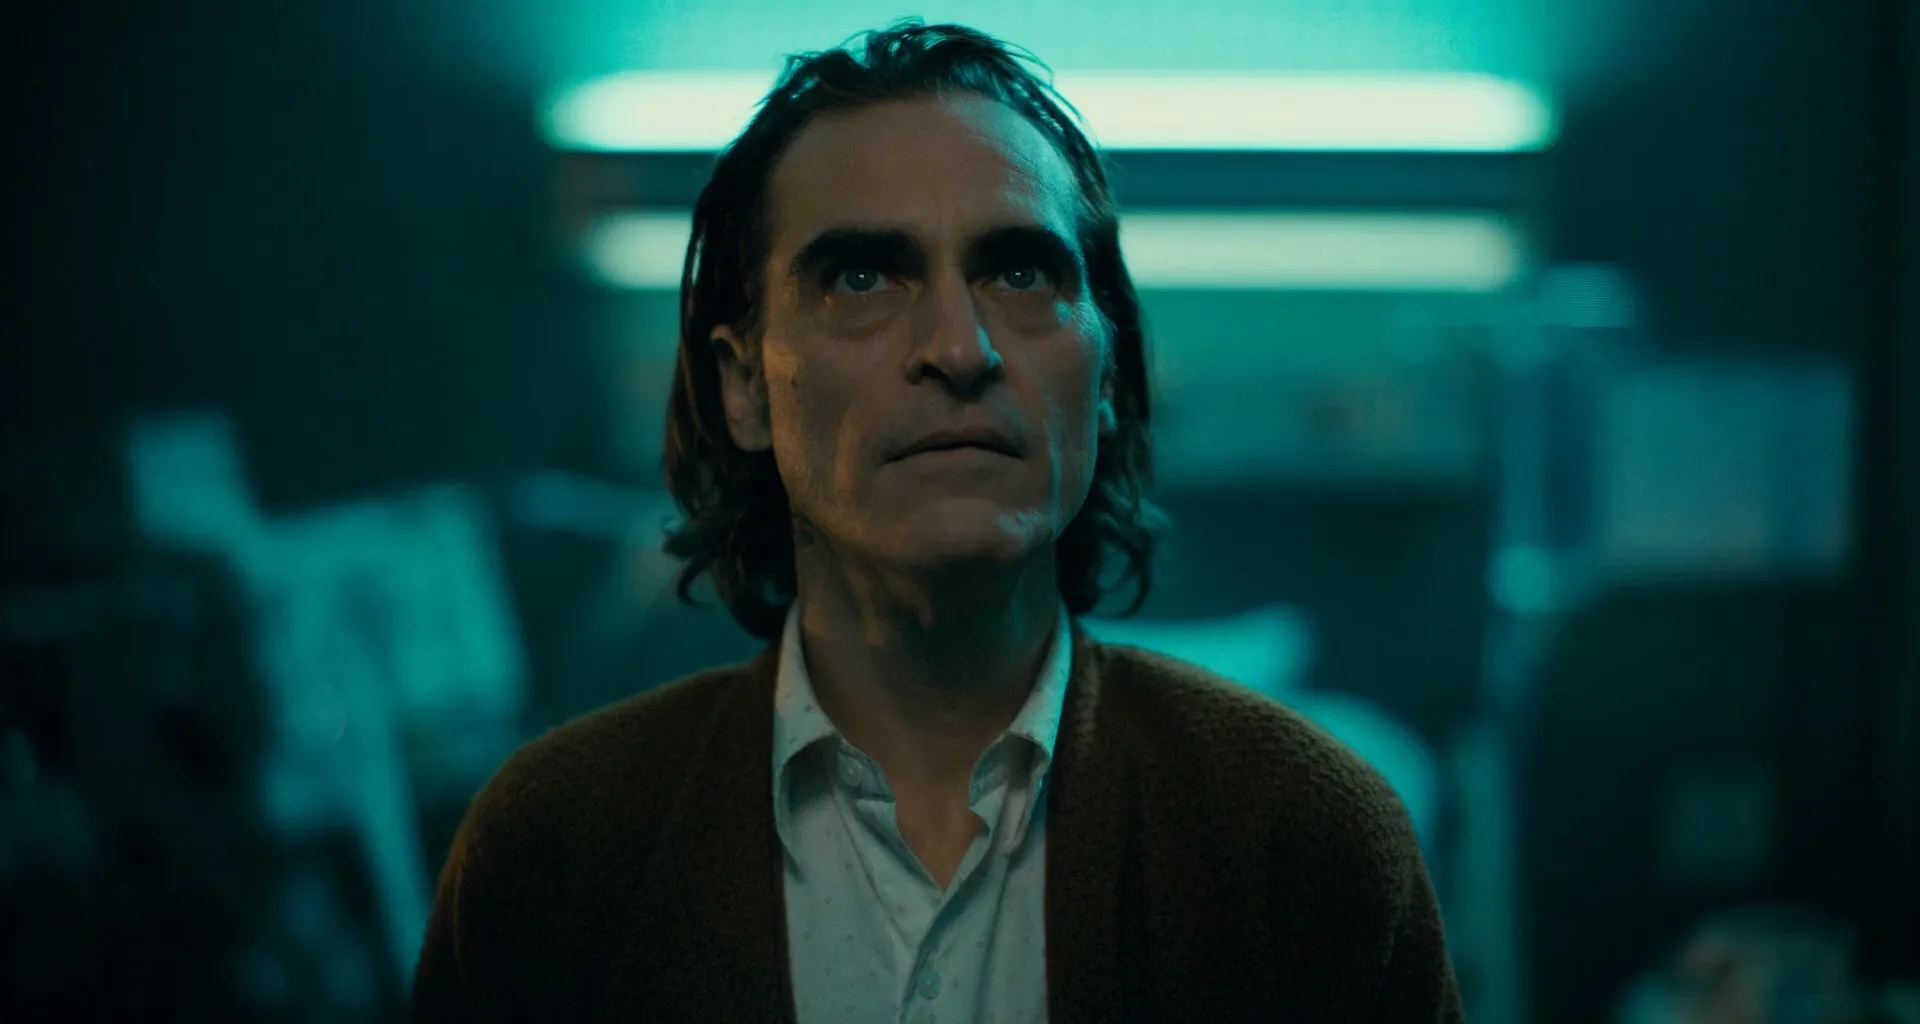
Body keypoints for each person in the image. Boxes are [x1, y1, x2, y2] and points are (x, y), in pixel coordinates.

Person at [412, 20, 1462, 1023]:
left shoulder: (1303, 839)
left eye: (1020, 271)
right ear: (744, 386)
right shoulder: (558, 851)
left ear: (1105, 376)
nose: (960, 349)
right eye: (863, 276)